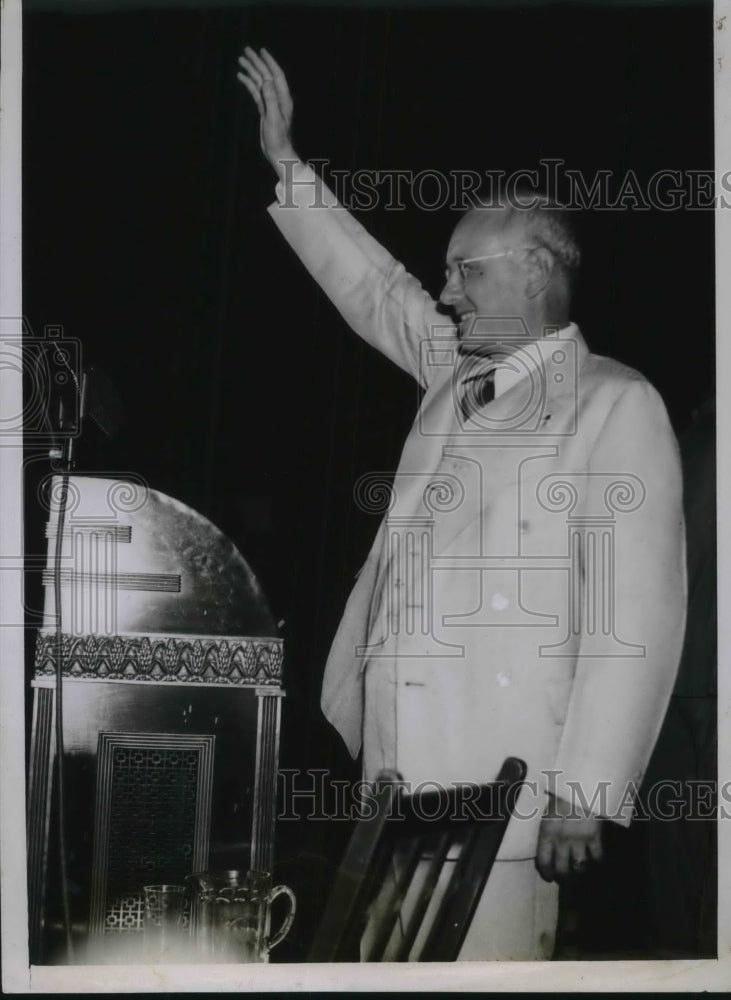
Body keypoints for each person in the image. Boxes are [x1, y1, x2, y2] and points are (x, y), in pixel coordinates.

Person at [237, 47, 687, 960]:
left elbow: (631, 614)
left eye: (464, 272)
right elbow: (373, 287)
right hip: (393, 770)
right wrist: (287, 163)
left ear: (533, 275)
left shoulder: (614, 402)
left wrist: (587, 789)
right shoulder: (449, 372)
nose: (443, 291)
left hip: (510, 788)